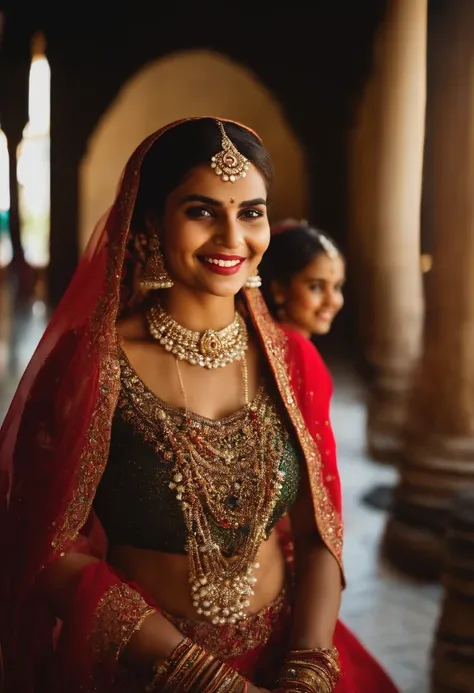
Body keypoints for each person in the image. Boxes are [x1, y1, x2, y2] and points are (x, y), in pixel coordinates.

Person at [0, 117, 399, 693]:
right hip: (146, 674)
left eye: (251, 212)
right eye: (202, 211)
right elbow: (49, 547)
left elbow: (319, 533)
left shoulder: (293, 361)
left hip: (287, 658)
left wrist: (308, 668)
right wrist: (201, 679)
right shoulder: (89, 367)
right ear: (150, 222)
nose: (233, 238)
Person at [260, 219, 345, 338]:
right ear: (279, 290)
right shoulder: (294, 345)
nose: (332, 301)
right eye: (316, 287)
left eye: (337, 287)